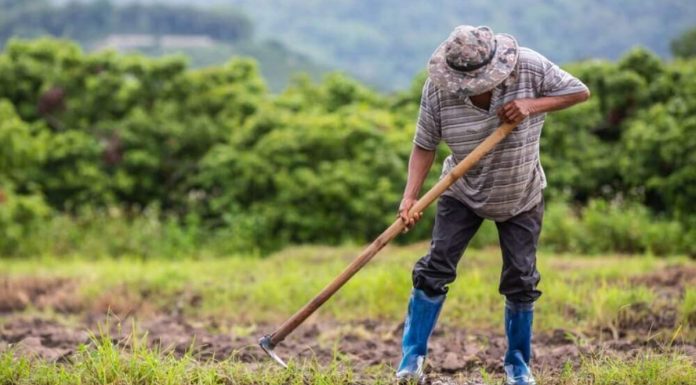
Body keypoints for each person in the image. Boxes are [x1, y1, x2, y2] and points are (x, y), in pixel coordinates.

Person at [396, 25, 590, 385]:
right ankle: (411, 362)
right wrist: (410, 197)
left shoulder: (529, 67)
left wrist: (531, 105)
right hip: (461, 190)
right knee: (435, 269)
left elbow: (579, 91)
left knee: (520, 278)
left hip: (521, 193)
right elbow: (424, 144)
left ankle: (518, 366)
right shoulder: (438, 89)